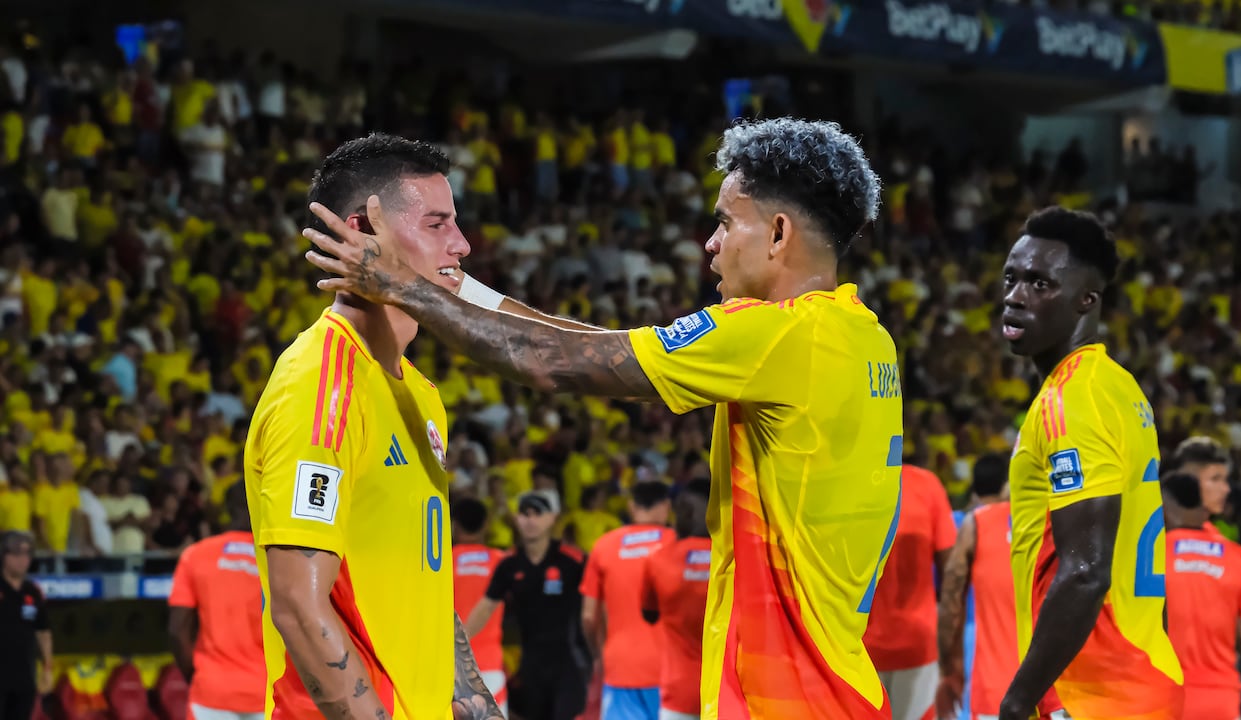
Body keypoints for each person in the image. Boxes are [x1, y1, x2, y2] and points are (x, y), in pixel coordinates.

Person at [305, 116, 900, 718]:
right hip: (841, 686)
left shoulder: (779, 336)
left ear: (777, 233)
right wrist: (461, 291)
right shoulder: (862, 337)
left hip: (788, 699)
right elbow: (602, 345)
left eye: (724, 221)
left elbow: (552, 364)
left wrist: (404, 286)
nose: (710, 244)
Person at [244, 133, 501, 720]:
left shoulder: (422, 394)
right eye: (437, 224)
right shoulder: (321, 383)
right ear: (363, 232)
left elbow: (425, 594)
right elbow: (297, 604)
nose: (461, 245)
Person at [1000, 206, 1182, 720]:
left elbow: (1085, 572)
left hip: (1096, 691)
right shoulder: (1115, 386)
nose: (1015, 297)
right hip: (1135, 674)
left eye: (1040, 284)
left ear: (1087, 300)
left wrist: (1017, 701)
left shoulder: (1074, 399)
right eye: (1011, 278)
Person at [1161, 470, 1241, 720]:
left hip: (1162, 700)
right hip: (1221, 703)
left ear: (1166, 505)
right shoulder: (1240, 559)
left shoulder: (1151, 558)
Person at [465, 490, 589, 720]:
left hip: (569, 664)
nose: (530, 520)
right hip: (531, 666)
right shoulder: (510, 564)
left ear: (552, 518)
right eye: (524, 514)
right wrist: (458, 643)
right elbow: (485, 607)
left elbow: (595, 604)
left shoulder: (572, 561)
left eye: (537, 514)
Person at [938, 454, 1045, 720]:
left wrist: (947, 669)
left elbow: (950, 601)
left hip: (994, 688)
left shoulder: (972, 524)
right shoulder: (1047, 522)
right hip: (1048, 686)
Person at [863, 462, 955, 720]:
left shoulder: (847, 481)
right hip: (917, 645)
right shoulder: (926, 485)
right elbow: (951, 570)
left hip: (857, 649)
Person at [168, 483, 266, 720]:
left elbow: (177, 631)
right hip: (267, 693)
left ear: (228, 509)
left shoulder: (195, 555)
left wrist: (197, 677)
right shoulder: (277, 560)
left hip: (211, 695)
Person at [580, 480, 675, 720]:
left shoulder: (604, 546)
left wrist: (598, 654)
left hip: (620, 666)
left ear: (632, 506)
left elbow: (588, 616)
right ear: (666, 506)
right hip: (673, 669)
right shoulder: (679, 543)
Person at [641, 480, 712, 720]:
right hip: (728, 693)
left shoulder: (658, 559)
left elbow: (648, 614)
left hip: (679, 694)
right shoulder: (738, 560)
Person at [452, 498, 509, 717]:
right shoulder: (501, 561)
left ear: (454, 525)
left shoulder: (443, 562)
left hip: (453, 667)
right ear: (486, 525)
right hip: (490, 664)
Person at [0, 531, 52, 720]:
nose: (24, 560)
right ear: (4, 555)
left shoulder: (33, 591)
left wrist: (47, 668)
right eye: (17, 554)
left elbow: (43, 632)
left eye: (27, 554)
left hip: (24, 678)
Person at [1170, 436, 1230, 525]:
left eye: (1225, 479)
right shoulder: (1157, 533)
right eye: (1215, 479)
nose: (1226, 489)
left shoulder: (1214, 533)